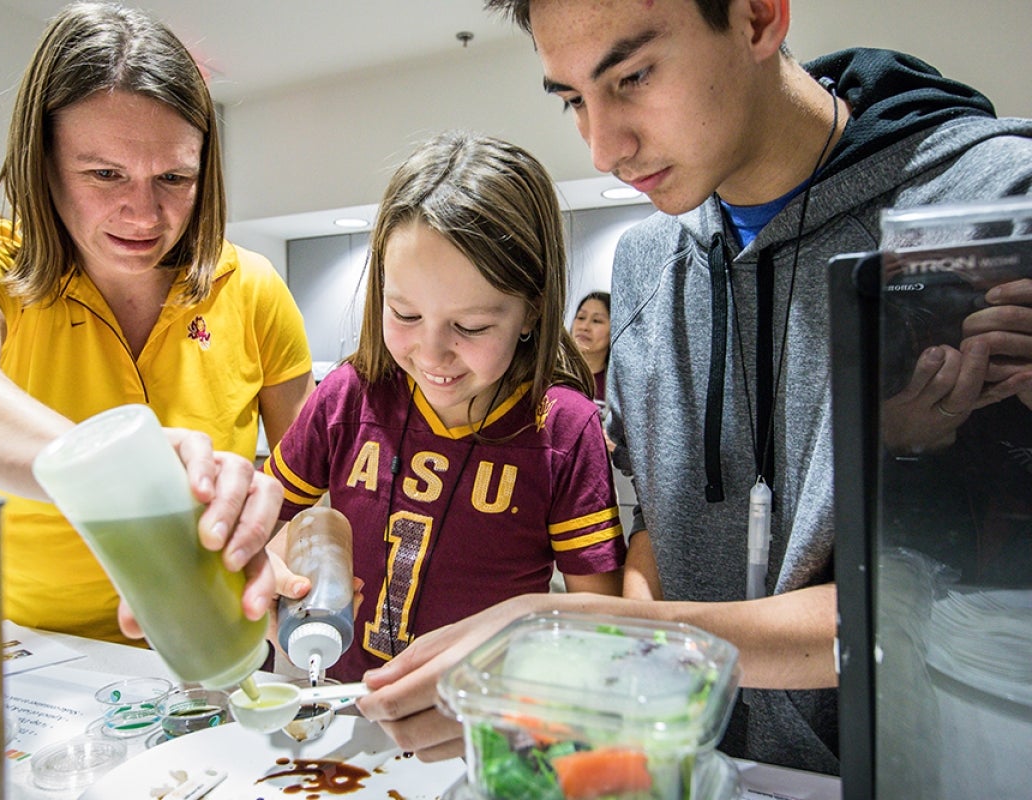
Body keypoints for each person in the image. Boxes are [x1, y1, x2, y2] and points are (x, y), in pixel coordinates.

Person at [354, 0, 1032, 775]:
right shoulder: (648, 262)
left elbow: (961, 601)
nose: (604, 146)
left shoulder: (989, 205)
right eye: (574, 99)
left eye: (634, 75)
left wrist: (576, 624)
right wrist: (599, 684)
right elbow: (659, 531)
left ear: (756, 17)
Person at [0, 1, 313, 644]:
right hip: (43, 648)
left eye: (174, 177)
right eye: (104, 174)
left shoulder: (254, 286)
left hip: (215, 635)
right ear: (42, 162)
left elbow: (306, 481)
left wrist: (277, 561)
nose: (143, 213)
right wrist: (122, 473)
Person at [265, 130, 626, 682]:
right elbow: (262, 528)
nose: (431, 354)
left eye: (472, 326)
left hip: (485, 727)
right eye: (405, 315)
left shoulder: (563, 430)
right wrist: (266, 571)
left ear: (531, 312)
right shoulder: (348, 395)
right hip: (352, 715)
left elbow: (600, 628)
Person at [570, 290, 610, 402]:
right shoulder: (552, 372)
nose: (584, 327)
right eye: (581, 317)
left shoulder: (618, 386)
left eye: (596, 321)